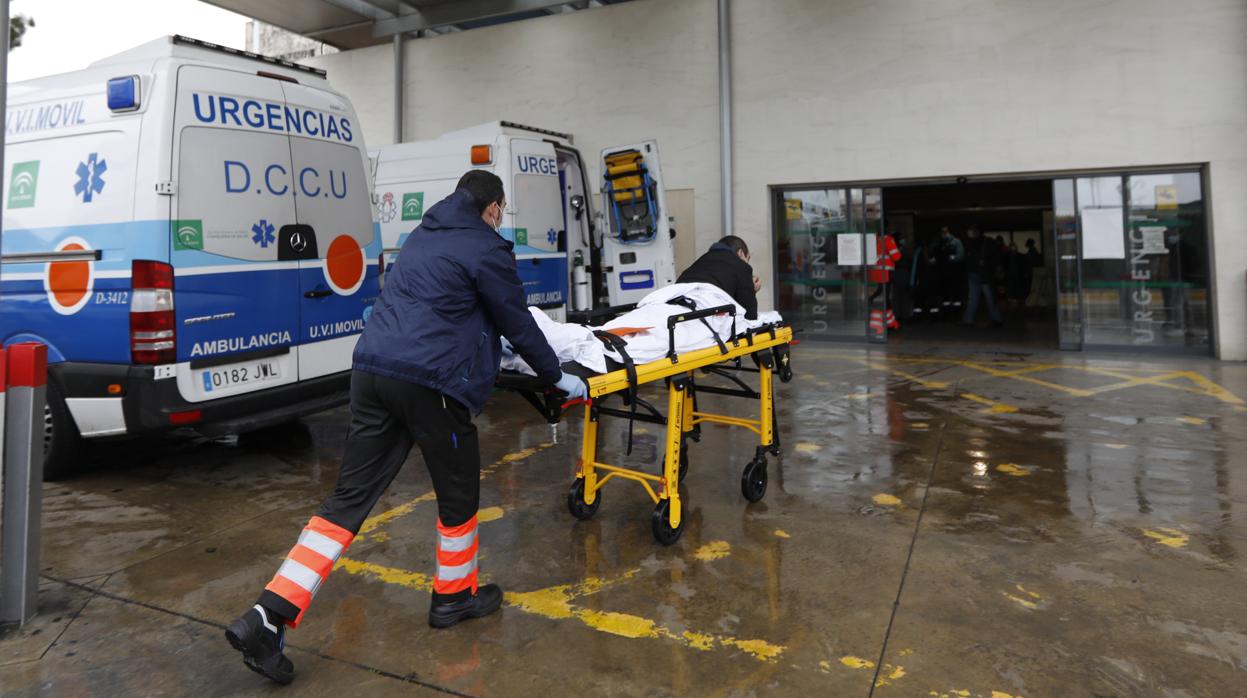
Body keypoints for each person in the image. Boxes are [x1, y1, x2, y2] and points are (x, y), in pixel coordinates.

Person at [224, 170, 588, 685]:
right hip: (433, 384)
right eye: (502, 211)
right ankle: (453, 597)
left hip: (373, 372)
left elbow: (443, 307)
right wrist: (556, 377)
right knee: (458, 493)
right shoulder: (487, 247)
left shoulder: (422, 235)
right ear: (492, 207)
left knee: (346, 502)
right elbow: (517, 320)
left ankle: (268, 614)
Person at [677, 235, 759, 320]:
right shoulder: (742, 266)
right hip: (708, 316)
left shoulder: (701, 261)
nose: (747, 263)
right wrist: (751, 290)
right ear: (741, 253)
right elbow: (749, 315)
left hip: (678, 310)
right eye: (748, 258)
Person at [962, 226, 1003, 326]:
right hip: (980, 274)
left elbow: (995, 258)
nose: (970, 233)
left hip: (982, 274)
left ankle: (969, 320)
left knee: (980, 297)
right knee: (985, 297)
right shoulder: (985, 242)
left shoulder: (983, 243)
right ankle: (995, 319)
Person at [868, 229, 902, 331]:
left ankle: (891, 322)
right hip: (885, 272)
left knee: (883, 295)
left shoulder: (872, 239)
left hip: (874, 272)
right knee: (885, 297)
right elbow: (897, 257)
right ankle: (888, 323)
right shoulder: (887, 239)